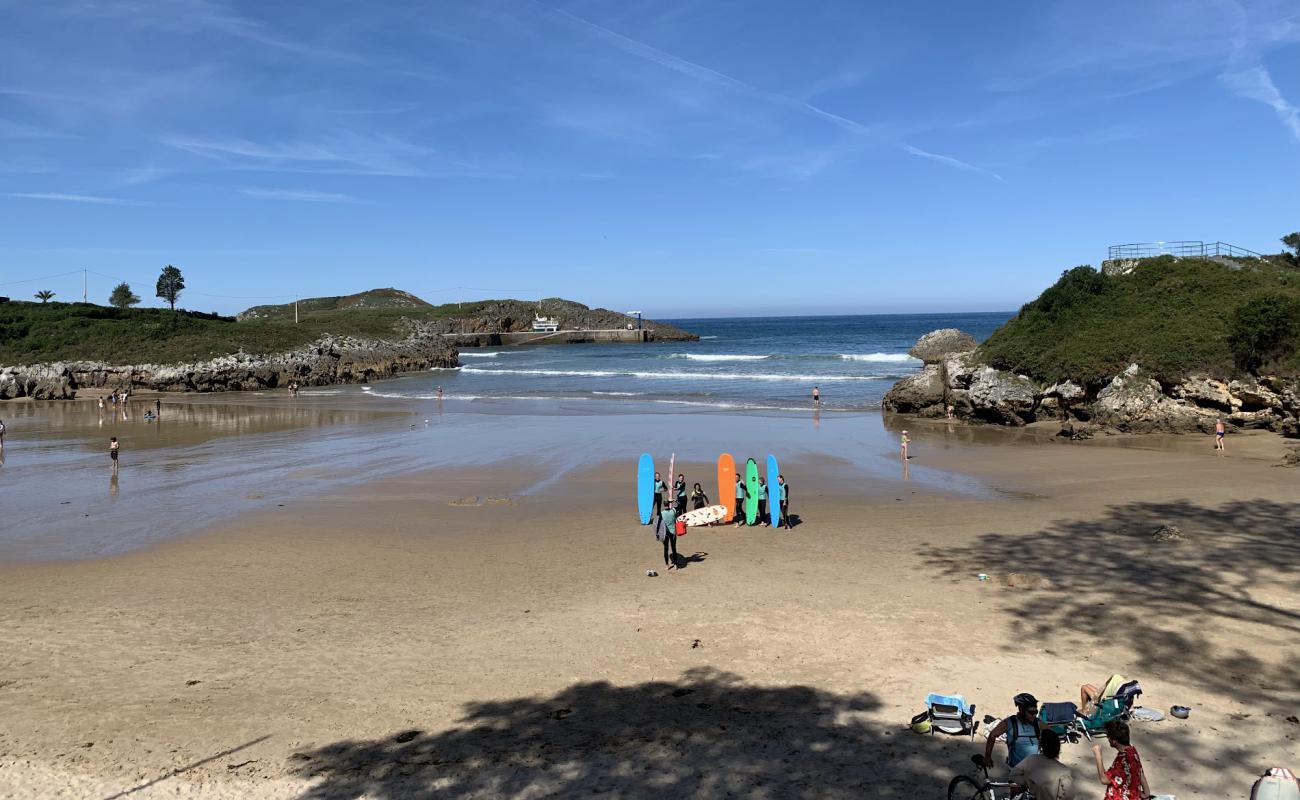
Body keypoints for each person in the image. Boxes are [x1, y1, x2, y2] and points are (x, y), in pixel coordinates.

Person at [1091, 720, 1151, 800]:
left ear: (1114, 741)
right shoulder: (1132, 749)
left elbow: (1104, 779)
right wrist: (1146, 792)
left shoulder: (1122, 760)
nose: (1108, 739)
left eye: (1108, 737)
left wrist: (1098, 756)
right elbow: (1140, 771)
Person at [1010, 729, 1076, 800]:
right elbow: (1070, 795)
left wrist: (1028, 782)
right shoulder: (1064, 770)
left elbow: (1013, 775)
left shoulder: (1031, 759)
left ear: (1041, 745)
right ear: (1058, 748)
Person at [983, 693, 1041, 770]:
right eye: (1031, 712)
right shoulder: (1010, 722)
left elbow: (1052, 736)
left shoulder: (1038, 723)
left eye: (1036, 712)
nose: (1034, 715)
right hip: (1015, 768)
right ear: (1021, 710)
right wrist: (987, 756)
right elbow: (992, 735)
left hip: (1034, 768)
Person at [653, 499, 679, 570]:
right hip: (673, 532)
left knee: (666, 549)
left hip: (666, 533)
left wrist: (657, 534)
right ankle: (676, 565)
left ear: (664, 505)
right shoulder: (673, 510)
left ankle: (667, 565)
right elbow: (680, 505)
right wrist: (674, 501)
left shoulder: (662, 513)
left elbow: (658, 524)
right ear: (669, 504)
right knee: (674, 549)